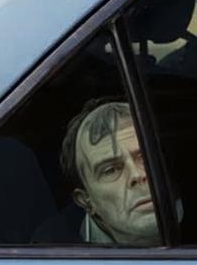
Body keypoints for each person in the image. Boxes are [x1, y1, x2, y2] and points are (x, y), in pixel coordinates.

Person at [59, 100, 161, 245]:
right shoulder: (55, 256)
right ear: (86, 200)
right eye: (111, 170)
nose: (137, 175)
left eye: (145, 157)